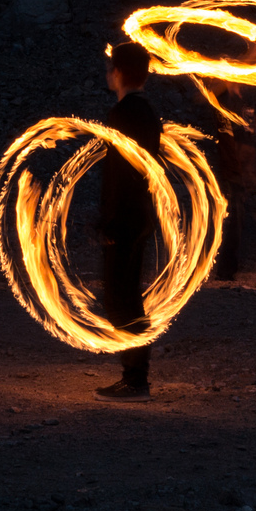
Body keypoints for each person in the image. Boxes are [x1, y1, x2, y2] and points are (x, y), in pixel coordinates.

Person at [94, 41, 163, 402]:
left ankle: (136, 379)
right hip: (138, 214)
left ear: (118, 72)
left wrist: (109, 221)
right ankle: (135, 375)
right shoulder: (147, 112)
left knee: (121, 301)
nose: (107, 74)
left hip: (126, 216)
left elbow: (120, 174)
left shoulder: (123, 115)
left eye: (110, 68)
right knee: (125, 297)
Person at [208, 32, 256, 281]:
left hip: (250, 152)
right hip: (228, 152)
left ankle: (236, 262)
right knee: (232, 204)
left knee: (244, 204)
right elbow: (204, 93)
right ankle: (224, 267)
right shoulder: (223, 72)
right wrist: (247, 59)